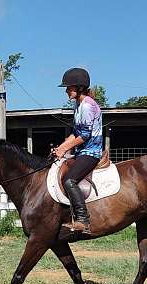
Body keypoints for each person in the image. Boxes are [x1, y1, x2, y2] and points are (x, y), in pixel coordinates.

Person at [52, 67, 103, 234]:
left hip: (91, 153)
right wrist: (60, 148)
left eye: (69, 87)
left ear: (80, 87)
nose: (66, 90)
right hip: (81, 152)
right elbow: (75, 132)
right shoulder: (78, 105)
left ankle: (83, 220)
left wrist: (65, 148)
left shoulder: (88, 106)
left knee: (69, 180)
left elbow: (85, 135)